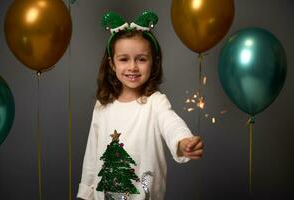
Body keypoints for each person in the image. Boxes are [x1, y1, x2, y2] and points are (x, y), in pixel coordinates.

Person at [77, 11, 203, 200]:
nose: (133, 67)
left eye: (141, 59)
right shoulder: (102, 106)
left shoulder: (156, 103)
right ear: (112, 64)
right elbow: (92, 156)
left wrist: (182, 142)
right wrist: (85, 193)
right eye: (124, 59)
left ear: (153, 62)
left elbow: (171, 124)